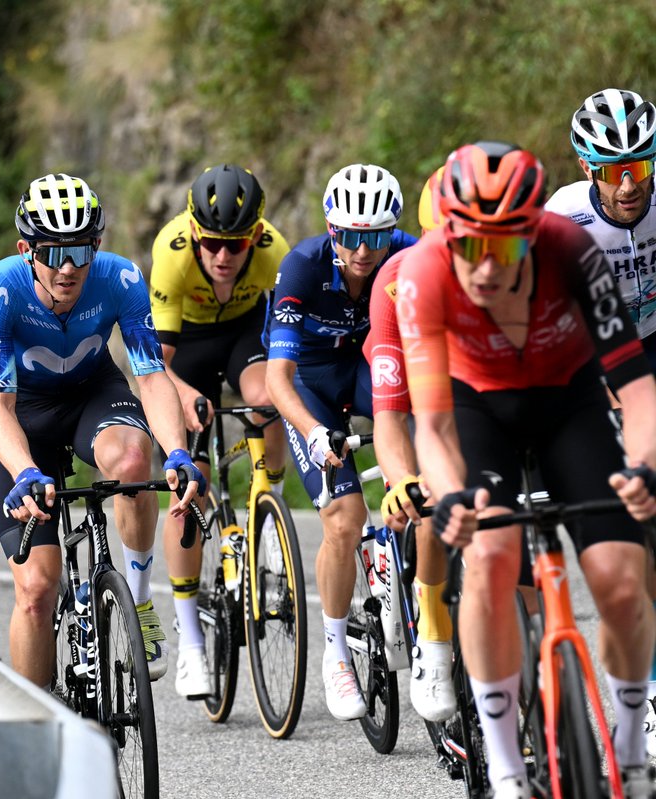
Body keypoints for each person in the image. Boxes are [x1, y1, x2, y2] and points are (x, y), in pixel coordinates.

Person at [399, 141, 656, 799]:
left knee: (622, 579)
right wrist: (451, 495)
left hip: (568, 401)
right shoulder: (423, 273)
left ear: (533, 234)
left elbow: (635, 384)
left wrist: (644, 466)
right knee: (489, 557)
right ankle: (506, 763)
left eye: (505, 248)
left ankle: (631, 747)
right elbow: (431, 425)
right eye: (469, 246)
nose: (485, 267)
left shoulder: (571, 249)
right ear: (447, 234)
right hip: (476, 408)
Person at [0, 172, 203, 687]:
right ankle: (38, 722)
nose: (69, 267)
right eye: (54, 253)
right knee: (36, 590)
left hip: (93, 394)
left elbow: (151, 375)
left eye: (80, 251)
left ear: (96, 246)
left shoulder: (120, 279)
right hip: (25, 414)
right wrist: (25, 471)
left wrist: (177, 453)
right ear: (26, 250)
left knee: (133, 460)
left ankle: (138, 604)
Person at [265, 163, 417, 720]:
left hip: (367, 366)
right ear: (332, 229)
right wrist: (311, 431)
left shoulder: (407, 253)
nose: (363, 250)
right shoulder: (303, 266)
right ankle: (335, 654)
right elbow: (277, 379)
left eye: (376, 237)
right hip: (310, 380)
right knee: (345, 520)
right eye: (350, 236)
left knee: (420, 462)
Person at [148, 164, 290, 698]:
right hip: (185, 347)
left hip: (244, 333)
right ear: (194, 232)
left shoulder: (276, 251)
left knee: (268, 399)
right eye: (211, 243)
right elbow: (156, 366)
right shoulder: (172, 253)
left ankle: (269, 511)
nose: (223, 256)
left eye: (236, 245)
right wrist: (187, 396)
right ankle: (190, 642)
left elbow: (289, 348)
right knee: (189, 487)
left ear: (255, 236)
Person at [545, 89, 656, 754]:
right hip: (595, 354)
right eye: (614, 171)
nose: (629, 185)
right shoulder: (563, 218)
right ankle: (649, 688)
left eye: (640, 166)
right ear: (588, 168)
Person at [361, 166, 456, 722]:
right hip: (424, 388)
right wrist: (402, 482)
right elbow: (392, 415)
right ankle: (434, 639)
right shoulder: (397, 283)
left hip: (484, 387)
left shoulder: (521, 271)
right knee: (432, 501)